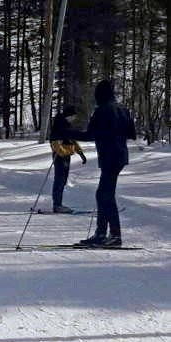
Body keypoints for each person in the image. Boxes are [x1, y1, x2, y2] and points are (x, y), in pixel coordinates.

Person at [71, 79, 137, 248]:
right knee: (104, 194)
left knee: (105, 195)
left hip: (109, 156)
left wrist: (69, 133)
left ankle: (113, 235)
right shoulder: (123, 109)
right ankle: (102, 233)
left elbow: (89, 135)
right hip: (120, 156)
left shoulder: (101, 111)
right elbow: (132, 133)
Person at [48, 104, 87, 214]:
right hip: (60, 156)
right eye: (73, 116)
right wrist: (61, 152)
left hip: (66, 155)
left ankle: (58, 203)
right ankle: (57, 205)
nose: (74, 118)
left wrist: (80, 153)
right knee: (59, 180)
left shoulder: (67, 125)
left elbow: (72, 140)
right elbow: (54, 141)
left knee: (63, 180)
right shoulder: (59, 125)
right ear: (68, 116)